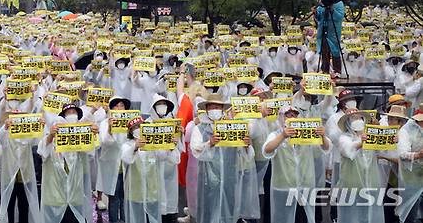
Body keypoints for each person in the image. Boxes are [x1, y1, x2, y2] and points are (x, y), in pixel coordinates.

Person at [190, 94, 260, 223]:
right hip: (208, 180)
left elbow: (247, 154)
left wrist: (246, 145)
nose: (214, 109)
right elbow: (195, 150)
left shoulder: (233, 127)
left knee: (229, 212)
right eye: (211, 106)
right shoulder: (199, 129)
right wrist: (209, 144)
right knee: (209, 212)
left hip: (229, 178)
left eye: (217, 106)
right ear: (206, 109)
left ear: (222, 109)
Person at [262, 106, 330, 223]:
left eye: (295, 115)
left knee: (303, 218)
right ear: (281, 118)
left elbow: (326, 147)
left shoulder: (307, 134)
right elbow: (267, 150)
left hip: (305, 187)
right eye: (288, 114)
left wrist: (322, 136)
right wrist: (283, 136)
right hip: (284, 187)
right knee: (283, 218)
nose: (292, 117)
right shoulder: (276, 134)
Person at [37, 104, 99, 223]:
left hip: (75, 197)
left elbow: (89, 153)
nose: (72, 115)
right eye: (68, 113)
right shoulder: (50, 140)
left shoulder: (79, 141)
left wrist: (93, 135)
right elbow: (42, 151)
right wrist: (51, 135)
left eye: (74, 112)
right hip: (54, 198)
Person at [121, 116, 180, 223]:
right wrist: (135, 147)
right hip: (135, 193)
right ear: (130, 131)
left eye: (141, 126)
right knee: (136, 219)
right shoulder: (127, 145)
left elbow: (169, 158)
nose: (138, 129)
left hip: (152, 193)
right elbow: (126, 158)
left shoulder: (153, 145)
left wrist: (171, 147)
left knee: (153, 219)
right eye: (135, 127)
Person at [0, 96, 42, 223]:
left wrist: (41, 126)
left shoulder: (27, 134)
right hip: (8, 175)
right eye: (12, 118)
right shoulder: (5, 133)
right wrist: (5, 127)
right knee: (9, 206)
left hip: (25, 176)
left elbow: (36, 142)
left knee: (24, 206)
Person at [336, 109, 384, 223]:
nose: (357, 120)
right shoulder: (344, 138)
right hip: (352, 185)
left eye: (359, 118)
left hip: (371, 183)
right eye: (354, 118)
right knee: (352, 216)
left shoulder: (370, 136)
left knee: (369, 215)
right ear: (348, 122)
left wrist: (392, 140)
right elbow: (348, 150)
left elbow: (383, 150)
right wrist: (361, 143)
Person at [98, 96, 132, 223]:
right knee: (114, 197)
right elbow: (105, 142)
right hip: (112, 165)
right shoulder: (104, 123)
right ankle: (113, 220)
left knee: (125, 197)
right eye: (116, 106)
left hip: (127, 165)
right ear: (111, 108)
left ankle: (124, 219)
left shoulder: (130, 123)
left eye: (121, 105)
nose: (119, 108)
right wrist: (111, 129)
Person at [396, 110, 423, 223]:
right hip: (413, 175)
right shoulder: (406, 131)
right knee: (412, 208)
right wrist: (418, 155)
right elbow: (402, 154)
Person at [315, 0, 345, 76]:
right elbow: (319, 18)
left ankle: (337, 71)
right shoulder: (321, 6)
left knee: (335, 51)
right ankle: (325, 71)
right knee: (324, 51)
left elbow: (339, 17)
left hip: (334, 31)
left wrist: (332, 9)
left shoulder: (339, 4)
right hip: (323, 30)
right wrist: (317, 11)